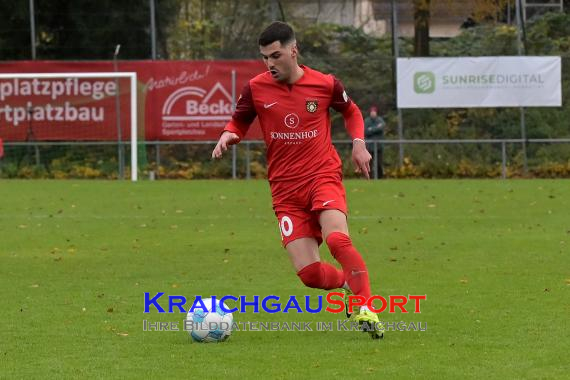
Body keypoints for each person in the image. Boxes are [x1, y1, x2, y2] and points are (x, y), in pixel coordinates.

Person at [212, 21, 383, 339]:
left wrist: (359, 144)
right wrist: (228, 135)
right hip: (284, 189)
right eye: (265, 57)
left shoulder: (326, 84)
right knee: (310, 274)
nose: (270, 63)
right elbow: (239, 120)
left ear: (294, 50)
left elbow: (352, 111)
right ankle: (349, 284)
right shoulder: (256, 88)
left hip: (322, 176)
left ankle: (366, 305)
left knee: (337, 240)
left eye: (275, 55)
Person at [363, 106, 385, 178]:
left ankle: (380, 178)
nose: (373, 114)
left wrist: (371, 129)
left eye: (374, 112)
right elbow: (365, 131)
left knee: (379, 163)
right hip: (369, 146)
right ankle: (369, 178)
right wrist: (376, 128)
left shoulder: (380, 120)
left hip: (378, 146)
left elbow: (381, 128)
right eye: (372, 112)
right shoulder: (367, 121)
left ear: (376, 113)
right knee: (369, 164)